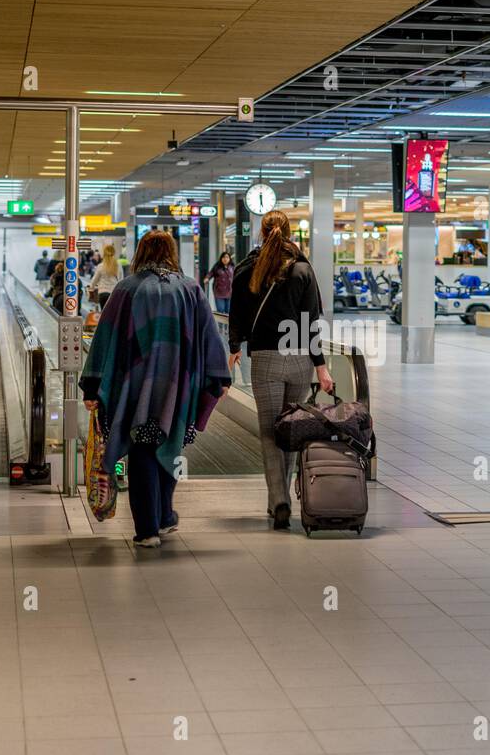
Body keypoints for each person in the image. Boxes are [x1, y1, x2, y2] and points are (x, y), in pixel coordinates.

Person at [81, 231, 230, 547]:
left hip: (135, 387)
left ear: (141, 253)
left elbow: (104, 339)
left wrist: (92, 387)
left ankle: (148, 528)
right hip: (180, 387)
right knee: (170, 443)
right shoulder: (189, 289)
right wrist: (219, 380)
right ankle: (163, 517)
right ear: (172, 253)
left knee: (142, 450)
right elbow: (209, 336)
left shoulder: (127, 289)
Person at [229, 210, 334, 530]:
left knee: (268, 433)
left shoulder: (248, 268)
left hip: (265, 359)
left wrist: (234, 347)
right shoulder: (303, 269)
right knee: (290, 429)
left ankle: (279, 501)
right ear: (290, 232)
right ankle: (282, 496)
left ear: (261, 233)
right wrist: (321, 368)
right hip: (300, 359)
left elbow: (236, 311)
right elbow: (310, 323)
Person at [90, 244, 121, 309]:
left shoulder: (101, 266)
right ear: (114, 253)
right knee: (113, 314)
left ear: (104, 254)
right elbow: (121, 280)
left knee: (104, 314)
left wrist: (91, 288)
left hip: (103, 293)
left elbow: (94, 280)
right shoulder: (118, 266)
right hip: (114, 294)